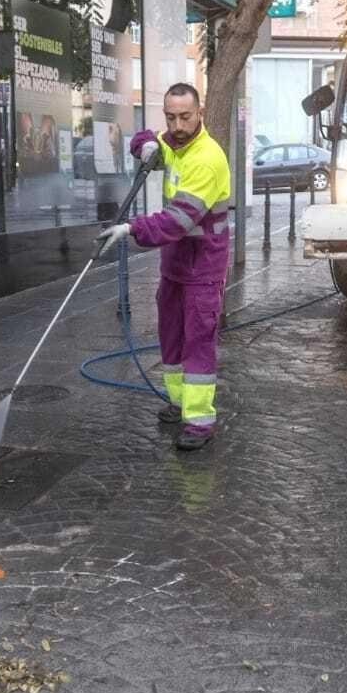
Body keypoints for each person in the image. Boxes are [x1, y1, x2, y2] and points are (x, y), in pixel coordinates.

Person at [97, 83, 231, 451]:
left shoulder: (208, 158)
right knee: (170, 335)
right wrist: (146, 146)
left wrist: (131, 229)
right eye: (170, 117)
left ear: (199, 113)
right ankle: (178, 402)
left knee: (198, 341)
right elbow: (142, 137)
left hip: (203, 267)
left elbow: (177, 221)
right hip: (174, 265)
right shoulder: (172, 141)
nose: (177, 125)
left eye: (185, 117)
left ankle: (200, 422)